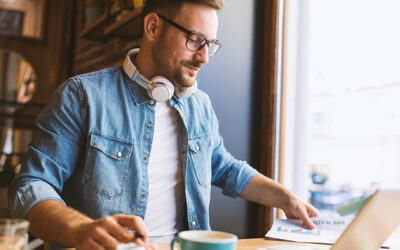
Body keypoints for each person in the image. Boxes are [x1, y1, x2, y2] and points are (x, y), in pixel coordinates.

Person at [8, 0, 319, 249]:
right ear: (153, 27)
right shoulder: (81, 96)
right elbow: (30, 186)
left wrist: (286, 198)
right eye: (195, 40)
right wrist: (80, 229)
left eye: (210, 44)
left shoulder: (200, 105)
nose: (204, 57)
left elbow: (224, 167)